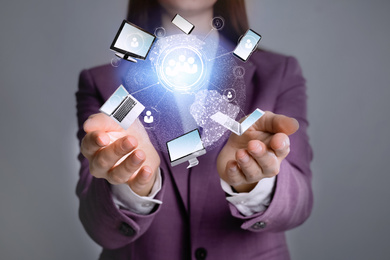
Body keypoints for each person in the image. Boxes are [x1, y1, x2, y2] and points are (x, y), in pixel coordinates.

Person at [76, 0, 313, 259]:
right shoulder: (104, 84)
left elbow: (299, 206)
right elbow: (100, 228)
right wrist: (133, 182)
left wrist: (254, 181)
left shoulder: (278, 73)